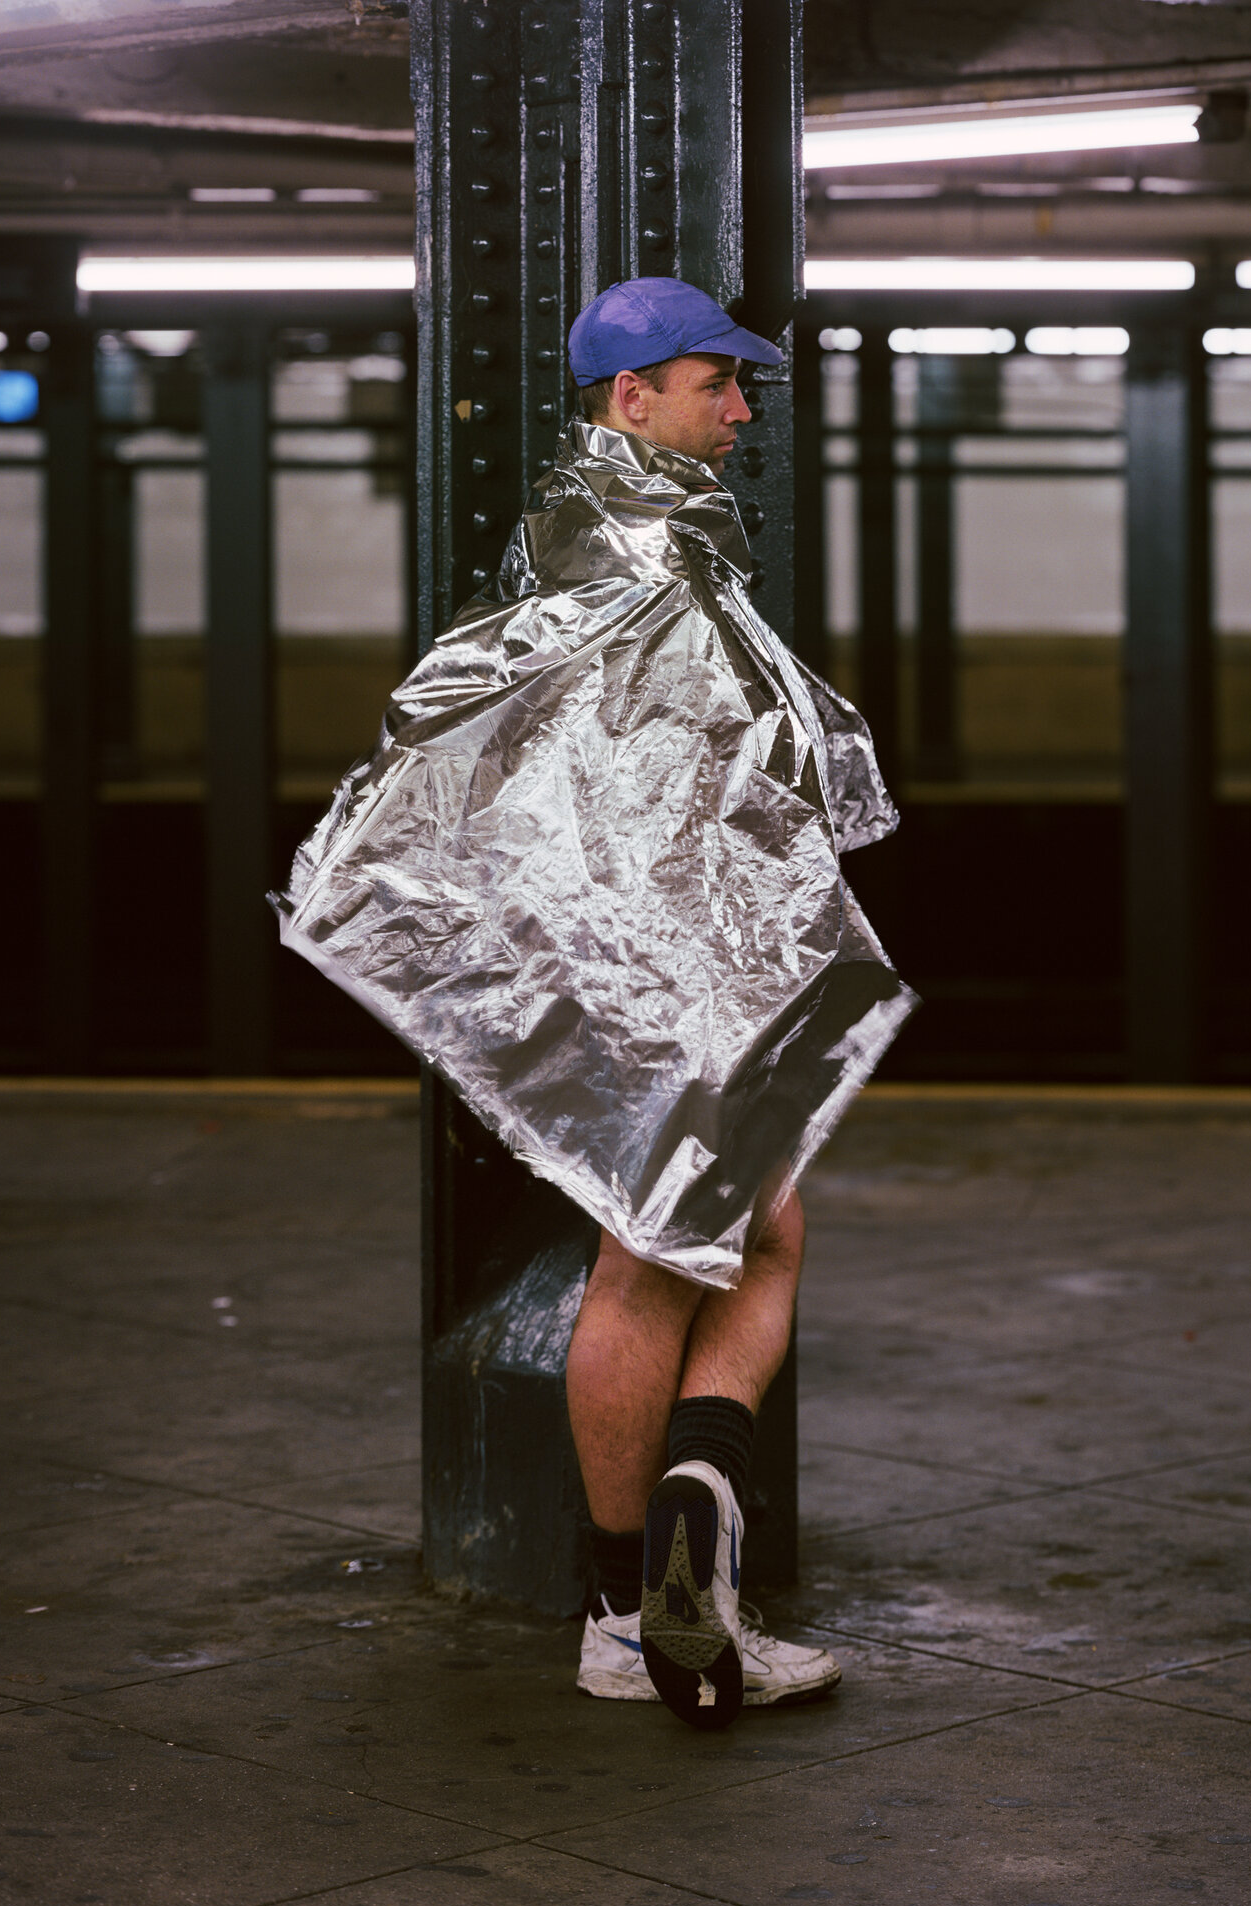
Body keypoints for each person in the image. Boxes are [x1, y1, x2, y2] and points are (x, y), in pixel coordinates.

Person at [275, 275, 913, 1730]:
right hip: (668, 958)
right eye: (717, 386)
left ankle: (639, 1597)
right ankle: (680, 1523)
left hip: (639, 953)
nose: (743, 412)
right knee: (705, 1246)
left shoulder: (596, 536)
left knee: (695, 1237)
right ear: (635, 399)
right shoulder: (637, 546)